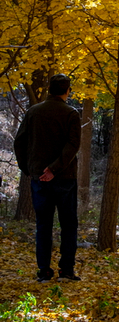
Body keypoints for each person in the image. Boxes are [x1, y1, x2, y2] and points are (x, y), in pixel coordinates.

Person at [14, 74, 82, 282]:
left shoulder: (33, 112)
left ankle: (44, 271)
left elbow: (19, 143)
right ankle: (66, 270)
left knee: (43, 225)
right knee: (68, 225)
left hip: (39, 180)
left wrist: (31, 170)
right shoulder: (71, 114)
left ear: (49, 89)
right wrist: (54, 169)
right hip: (65, 179)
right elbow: (72, 146)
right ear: (67, 91)